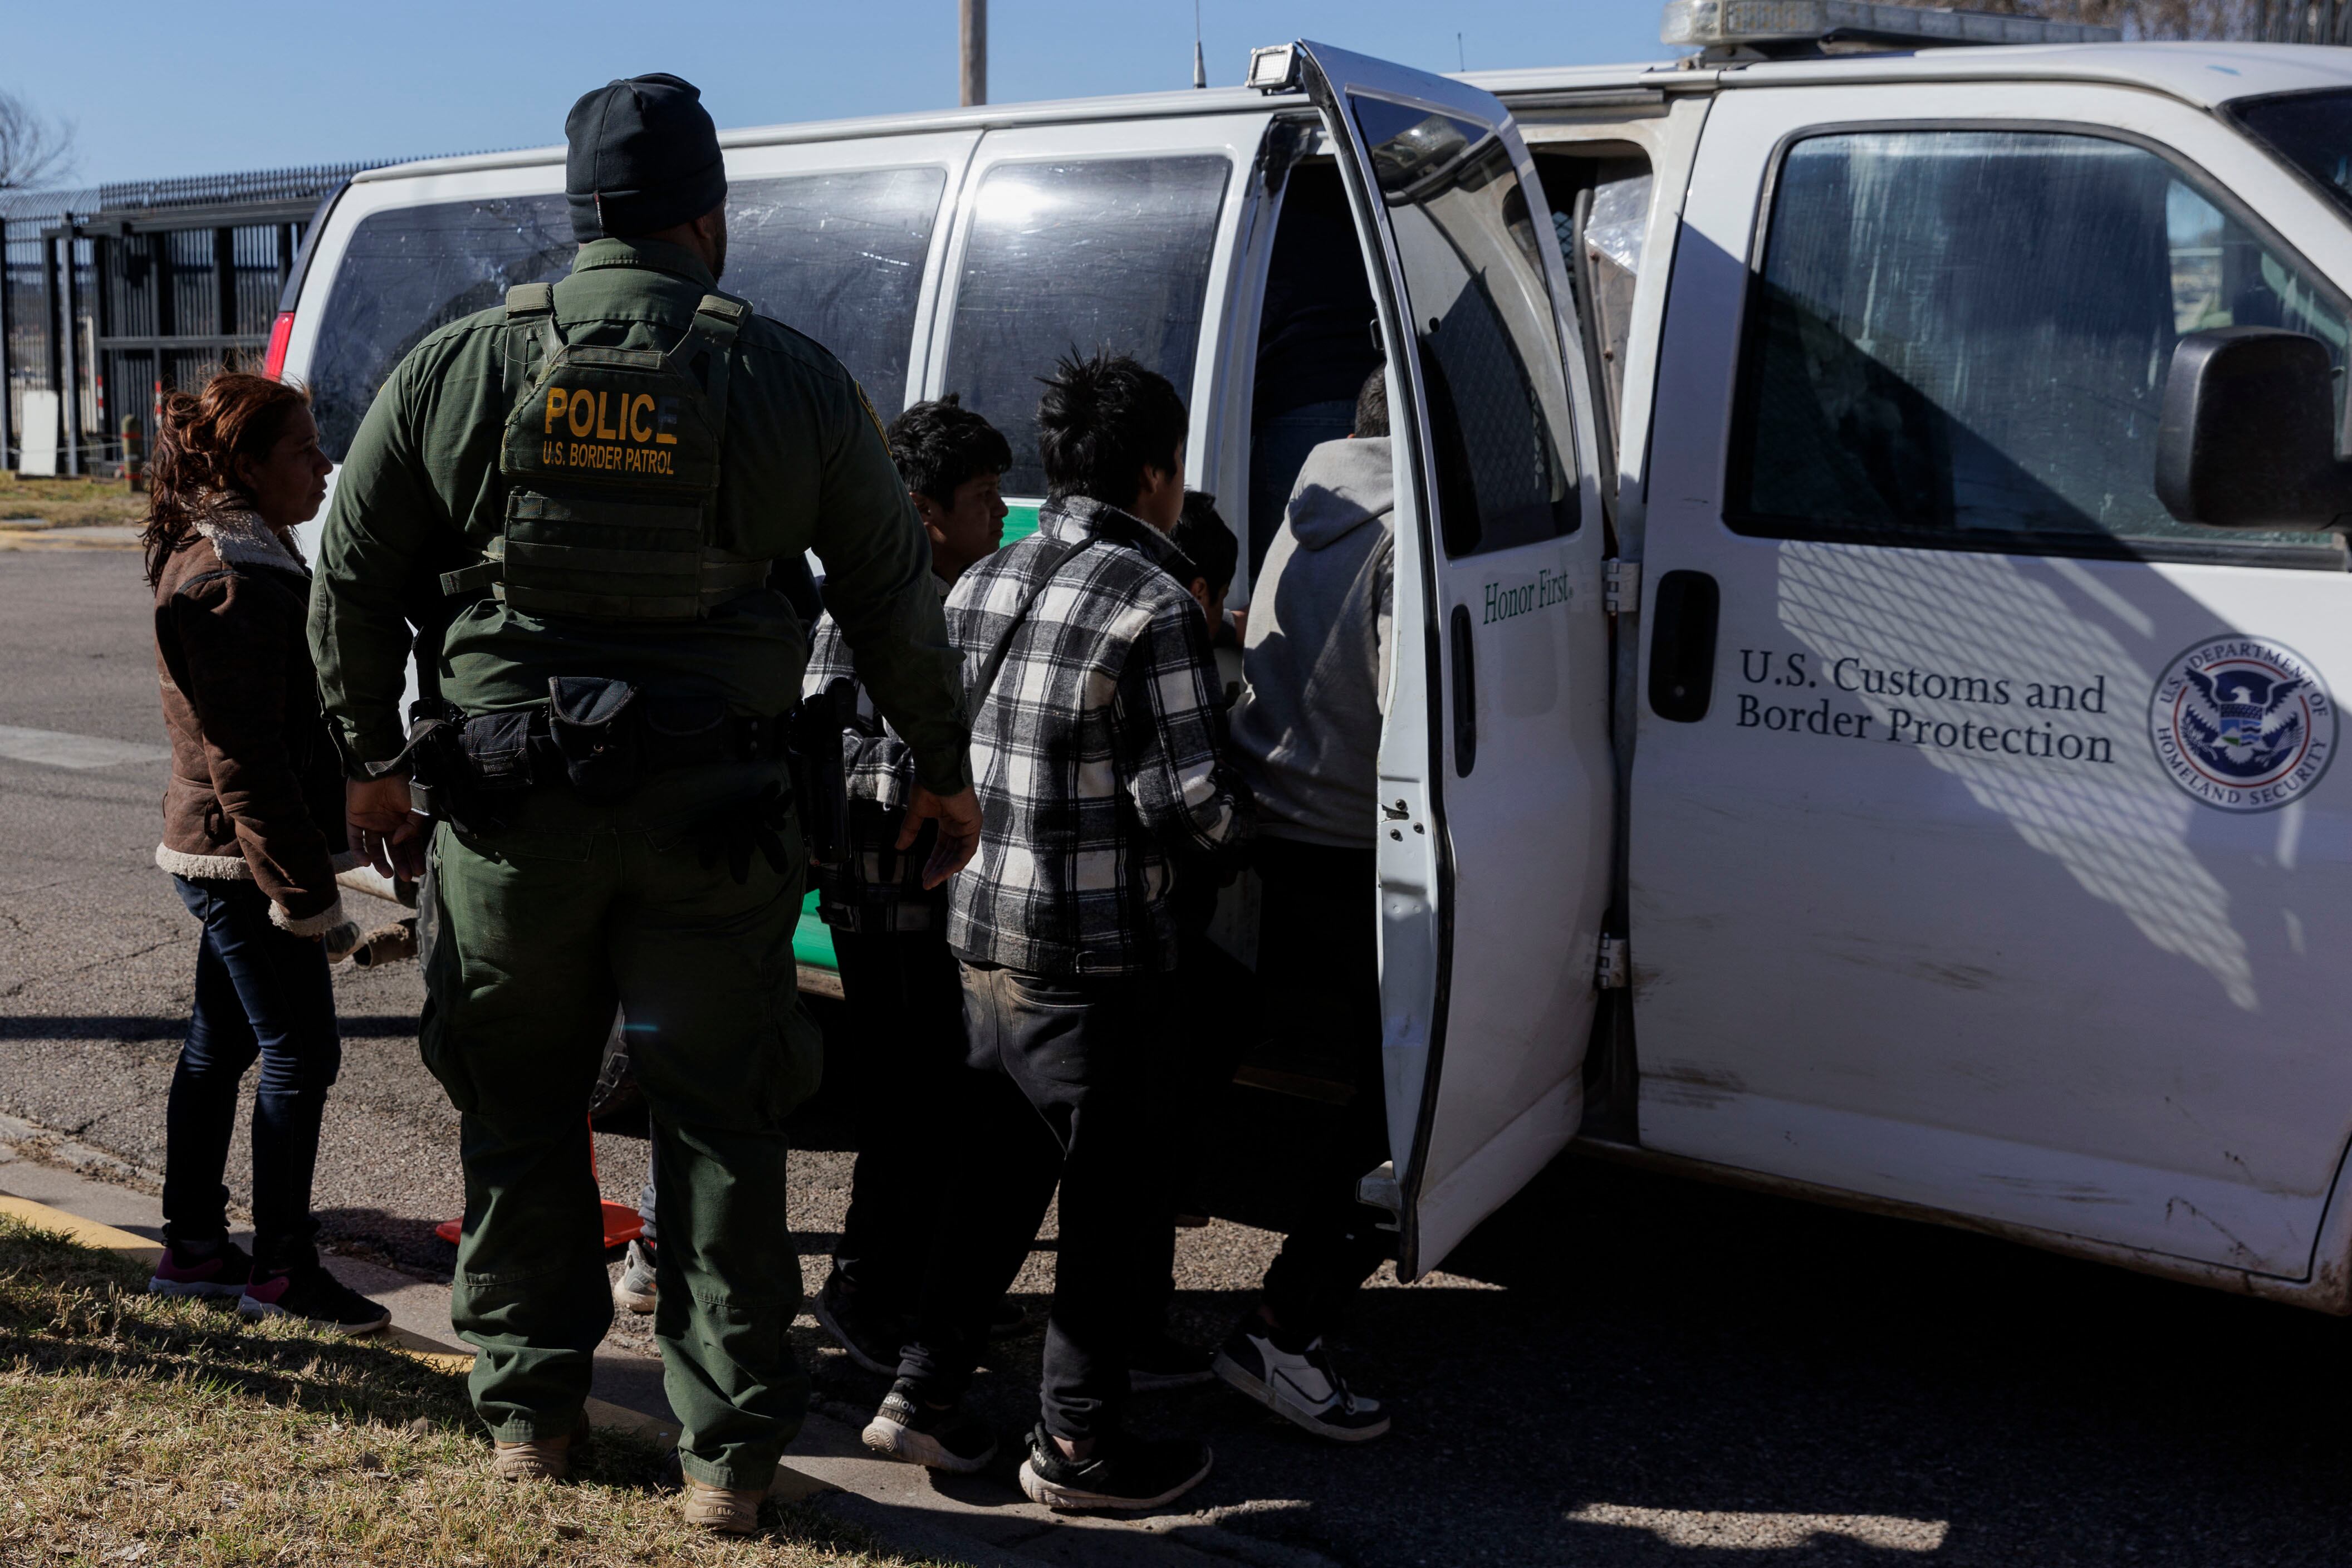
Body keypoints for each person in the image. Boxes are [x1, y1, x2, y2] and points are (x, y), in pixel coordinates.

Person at [308, 74, 978, 1534]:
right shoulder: (794, 380)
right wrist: (944, 772)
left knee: (521, 1112)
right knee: (723, 1129)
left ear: (583, 210)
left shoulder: (458, 367)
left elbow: (352, 573)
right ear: (704, 215)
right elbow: (894, 602)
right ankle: (726, 1462)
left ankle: (530, 1419)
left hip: (506, 830)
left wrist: (368, 760)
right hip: (717, 829)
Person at [865, 352, 1253, 1512]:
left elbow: (917, 753)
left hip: (978, 931)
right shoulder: (1151, 603)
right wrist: (1248, 823)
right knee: (1107, 1198)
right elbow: (1186, 805)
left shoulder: (983, 580)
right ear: (1156, 474)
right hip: (1097, 959)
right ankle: (1079, 1446)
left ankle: (922, 1396)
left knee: (994, 1173)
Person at [612, 395, 1012, 1361]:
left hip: (913, 895)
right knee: (908, 1101)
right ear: (924, 513)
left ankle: (873, 1283)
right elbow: (825, 747)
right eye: (985, 498)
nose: (1001, 517)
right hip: (883, 900)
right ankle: (861, 1296)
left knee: (921, 1098)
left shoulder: (937, 596)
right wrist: (935, 776)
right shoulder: (870, 610)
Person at [141, 372, 390, 1336]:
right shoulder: (230, 579)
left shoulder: (242, 550)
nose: (324, 466)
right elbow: (245, 759)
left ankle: (195, 1246)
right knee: (301, 1051)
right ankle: (282, 1268)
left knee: (222, 1045)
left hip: (232, 852)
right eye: (304, 451)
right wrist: (306, 898)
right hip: (242, 862)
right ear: (245, 467)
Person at [1214, 366, 1397, 1442]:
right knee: (1400, 1101)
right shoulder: (1399, 546)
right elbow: (1413, 714)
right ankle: (1285, 1325)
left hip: (1273, 832)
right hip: (1351, 844)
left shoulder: (1306, 506)